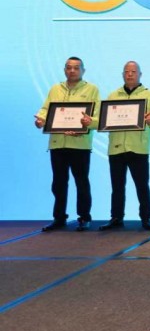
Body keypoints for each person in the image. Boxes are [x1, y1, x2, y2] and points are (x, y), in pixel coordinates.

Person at [35, 56, 100, 232]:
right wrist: (40, 120)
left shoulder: (92, 89)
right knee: (58, 183)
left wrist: (88, 123)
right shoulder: (55, 89)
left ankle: (84, 217)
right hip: (58, 143)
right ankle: (59, 218)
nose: (72, 71)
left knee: (81, 182)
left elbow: (97, 116)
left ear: (83, 70)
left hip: (80, 144)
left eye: (76, 68)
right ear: (64, 70)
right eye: (69, 67)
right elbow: (46, 110)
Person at [99, 61, 150, 231]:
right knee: (117, 186)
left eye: (133, 71)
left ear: (140, 74)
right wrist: (89, 122)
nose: (130, 74)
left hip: (138, 148)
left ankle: (146, 218)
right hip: (116, 147)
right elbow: (103, 120)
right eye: (127, 72)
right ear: (122, 75)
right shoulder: (113, 96)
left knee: (142, 185)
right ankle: (116, 217)